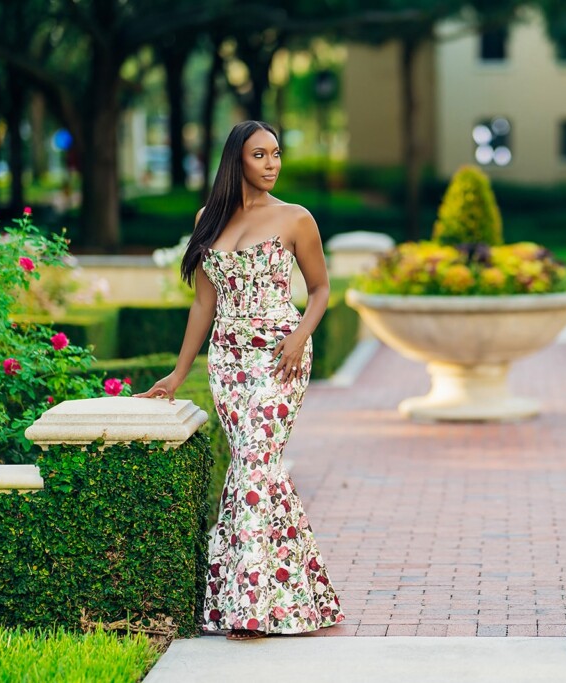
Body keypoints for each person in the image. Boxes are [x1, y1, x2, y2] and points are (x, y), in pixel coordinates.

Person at [136, 120, 344, 640]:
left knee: (253, 466)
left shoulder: (297, 219)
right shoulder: (208, 218)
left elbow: (319, 290)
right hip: (228, 361)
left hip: (281, 356)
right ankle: (303, 596)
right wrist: (180, 372)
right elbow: (204, 303)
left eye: (277, 154)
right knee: (259, 472)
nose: (272, 164)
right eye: (260, 155)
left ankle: (248, 608)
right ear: (237, 160)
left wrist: (298, 336)